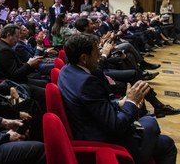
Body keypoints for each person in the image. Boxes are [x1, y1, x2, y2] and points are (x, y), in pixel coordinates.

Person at [58, 33, 177, 164]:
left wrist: (121, 102)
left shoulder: (66, 70)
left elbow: (96, 106)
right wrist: (131, 102)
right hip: (104, 142)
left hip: (90, 127)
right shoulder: (87, 83)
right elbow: (116, 126)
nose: (100, 54)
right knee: (163, 139)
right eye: (97, 51)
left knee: (151, 128)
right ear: (84, 58)